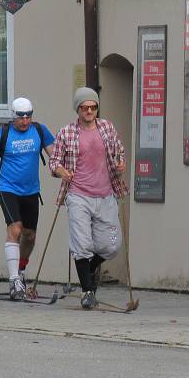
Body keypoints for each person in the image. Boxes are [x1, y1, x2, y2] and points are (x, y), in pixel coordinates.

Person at [49, 87, 128, 309]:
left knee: (111, 245)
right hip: (78, 194)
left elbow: (119, 150)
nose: (90, 111)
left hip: (106, 193)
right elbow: (54, 162)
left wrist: (121, 162)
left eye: (93, 107)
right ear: (78, 109)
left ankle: (89, 268)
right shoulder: (67, 132)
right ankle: (87, 291)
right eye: (85, 108)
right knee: (81, 244)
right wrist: (61, 171)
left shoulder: (107, 127)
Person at [0, 97, 55, 300]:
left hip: (31, 191)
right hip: (7, 188)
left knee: (29, 236)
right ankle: (14, 281)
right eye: (21, 117)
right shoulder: (1, 134)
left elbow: (54, 155)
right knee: (15, 229)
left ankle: (20, 270)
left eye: (29, 116)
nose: (25, 121)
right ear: (13, 117)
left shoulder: (39, 130)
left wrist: (63, 170)